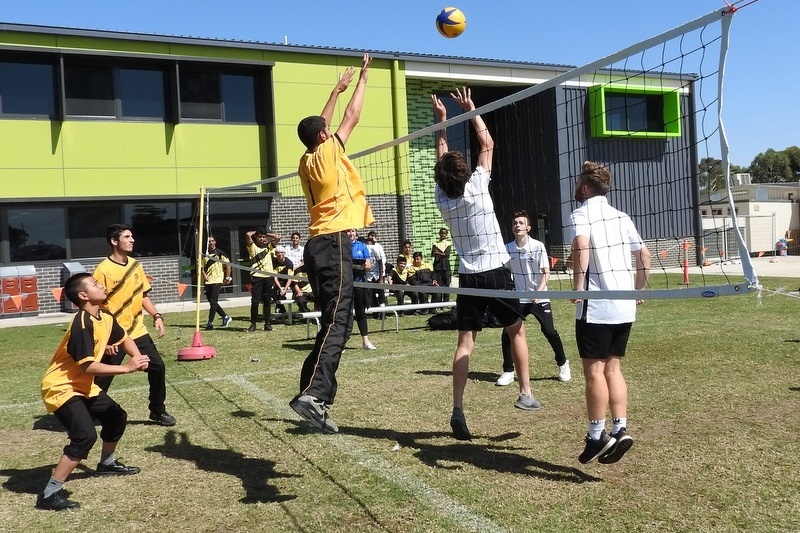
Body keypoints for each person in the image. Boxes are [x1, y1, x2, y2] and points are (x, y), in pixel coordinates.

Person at [432, 87, 541, 441]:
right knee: (517, 331)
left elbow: (444, 160)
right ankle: (525, 393)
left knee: (466, 342)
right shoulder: (478, 186)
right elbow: (488, 144)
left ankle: (458, 409)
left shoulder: (442, 200)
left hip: (468, 276)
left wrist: (442, 125)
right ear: (464, 174)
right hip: (495, 272)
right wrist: (471, 109)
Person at [290, 53, 374, 433]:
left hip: (316, 245)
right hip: (334, 243)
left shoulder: (305, 159)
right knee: (340, 324)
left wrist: (333, 90)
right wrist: (362, 80)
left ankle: (310, 397)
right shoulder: (328, 150)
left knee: (329, 323)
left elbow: (320, 125)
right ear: (323, 136)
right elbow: (351, 118)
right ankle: (315, 395)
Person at [36, 273, 150, 511]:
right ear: (83, 295)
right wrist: (127, 368)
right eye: (96, 284)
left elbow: (124, 337)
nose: (102, 285)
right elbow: (87, 366)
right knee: (84, 436)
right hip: (61, 386)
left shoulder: (104, 315)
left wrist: (137, 356)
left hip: (83, 385)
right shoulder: (81, 323)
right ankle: (49, 494)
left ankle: (106, 463)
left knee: (116, 416)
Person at [570, 161, 651, 464]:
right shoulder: (621, 216)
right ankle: (620, 428)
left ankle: (595, 437)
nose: (576, 185)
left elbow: (581, 245)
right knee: (613, 369)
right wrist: (638, 290)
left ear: (586, 186)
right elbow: (643, 253)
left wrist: (578, 288)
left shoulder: (582, 213)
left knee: (594, 371)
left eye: (579, 181)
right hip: (623, 305)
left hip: (598, 305)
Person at [93, 223, 176, 427]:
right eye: (127, 237)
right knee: (104, 375)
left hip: (137, 331)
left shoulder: (136, 265)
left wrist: (156, 315)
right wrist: (108, 337)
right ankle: (89, 410)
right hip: (114, 334)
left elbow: (142, 296)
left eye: (132, 237)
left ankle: (157, 411)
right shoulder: (103, 270)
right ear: (114, 241)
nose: (132, 240)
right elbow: (97, 306)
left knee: (158, 367)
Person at [496, 210, 571, 386]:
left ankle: (563, 363)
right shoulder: (508, 248)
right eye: (515, 223)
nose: (518, 225)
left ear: (528, 228)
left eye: (521, 223)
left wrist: (538, 292)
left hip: (539, 296)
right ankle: (508, 370)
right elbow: (505, 273)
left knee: (549, 331)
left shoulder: (537, 246)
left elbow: (546, 272)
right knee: (507, 334)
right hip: (519, 298)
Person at [347, 228, 376, 350]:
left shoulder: (362, 246)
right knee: (346, 314)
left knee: (361, 312)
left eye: (353, 231)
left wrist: (359, 266)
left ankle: (365, 341)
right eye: (348, 231)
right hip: (346, 284)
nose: (351, 233)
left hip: (359, 283)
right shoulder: (341, 246)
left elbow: (368, 266)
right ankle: (341, 342)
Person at [245, 227, 277, 332]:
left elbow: (278, 237)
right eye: (260, 237)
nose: (262, 239)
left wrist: (267, 235)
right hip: (257, 277)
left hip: (268, 277)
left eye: (263, 237)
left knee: (267, 301)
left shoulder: (269, 247)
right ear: (256, 238)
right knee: (255, 302)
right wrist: (257, 233)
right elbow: (248, 234)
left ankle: (268, 324)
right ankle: (253, 324)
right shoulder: (252, 247)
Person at [201, 236, 233, 330]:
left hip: (217, 281)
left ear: (215, 242)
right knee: (212, 302)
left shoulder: (220, 253)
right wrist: (204, 274)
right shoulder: (205, 255)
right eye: (209, 241)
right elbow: (202, 267)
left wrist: (227, 277)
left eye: (212, 241)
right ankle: (225, 317)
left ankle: (210, 323)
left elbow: (228, 265)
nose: (211, 243)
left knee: (213, 302)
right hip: (208, 282)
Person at [270, 245, 295, 314]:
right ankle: (281, 307)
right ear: (276, 254)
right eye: (278, 252)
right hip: (278, 281)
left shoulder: (289, 263)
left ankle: (282, 302)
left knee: (281, 293)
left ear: (284, 253)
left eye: (281, 252)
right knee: (272, 289)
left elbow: (290, 278)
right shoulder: (274, 263)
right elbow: (275, 277)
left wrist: (285, 289)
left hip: (287, 281)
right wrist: (281, 289)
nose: (280, 254)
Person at [365, 231, 387, 308]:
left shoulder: (377, 247)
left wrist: (381, 278)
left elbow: (381, 261)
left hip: (378, 272)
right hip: (369, 273)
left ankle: (382, 309)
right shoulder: (365, 247)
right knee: (371, 292)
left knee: (380, 291)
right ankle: (374, 309)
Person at [431, 227, 452, 302]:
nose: (443, 235)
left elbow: (446, 254)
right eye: (441, 233)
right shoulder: (435, 244)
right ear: (439, 234)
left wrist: (438, 253)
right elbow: (433, 253)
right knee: (438, 284)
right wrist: (441, 254)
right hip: (437, 267)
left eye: (444, 233)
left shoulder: (448, 244)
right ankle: (438, 301)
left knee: (447, 285)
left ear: (446, 234)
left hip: (446, 267)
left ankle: (446, 301)